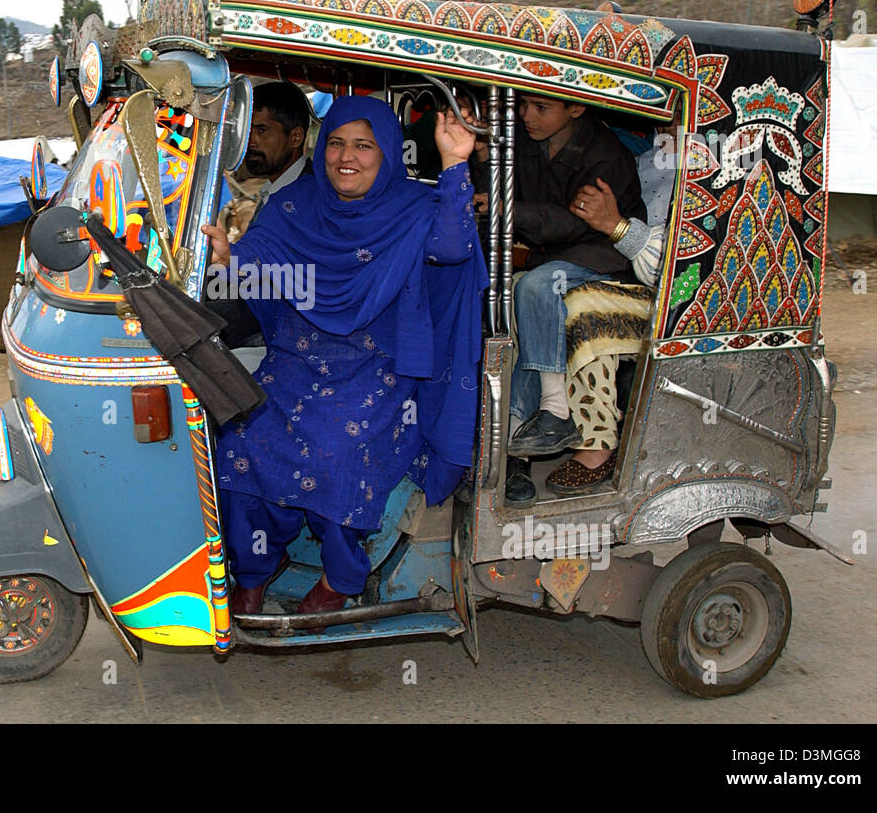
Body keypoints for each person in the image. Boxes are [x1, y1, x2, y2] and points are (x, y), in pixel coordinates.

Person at [199, 96, 489, 616]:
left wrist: (454, 163)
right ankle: (254, 571)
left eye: (363, 145)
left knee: (336, 454)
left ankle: (341, 576)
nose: (345, 157)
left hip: (377, 372)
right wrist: (228, 258)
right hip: (294, 366)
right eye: (335, 143)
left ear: (387, 153)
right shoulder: (295, 207)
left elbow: (452, 249)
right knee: (235, 444)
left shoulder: (415, 207)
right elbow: (259, 258)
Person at [481, 94, 645, 506]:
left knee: (535, 289)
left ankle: (556, 411)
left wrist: (509, 210)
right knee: (507, 309)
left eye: (540, 108)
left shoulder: (606, 155)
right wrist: (484, 162)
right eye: (524, 106)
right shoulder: (524, 138)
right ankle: (514, 448)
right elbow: (496, 190)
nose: (526, 116)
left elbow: (576, 222)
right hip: (550, 258)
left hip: (600, 256)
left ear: (576, 108)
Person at [543, 123, 679, 493]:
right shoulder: (644, 159)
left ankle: (598, 441)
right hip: (626, 280)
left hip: (679, 301)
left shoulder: (711, 175)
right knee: (535, 289)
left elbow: (677, 267)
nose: (669, 122)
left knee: (586, 304)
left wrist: (617, 227)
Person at [217, 81, 311, 242]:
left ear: (296, 137)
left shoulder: (309, 200)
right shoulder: (274, 190)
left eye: (262, 130)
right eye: (248, 131)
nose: (251, 141)